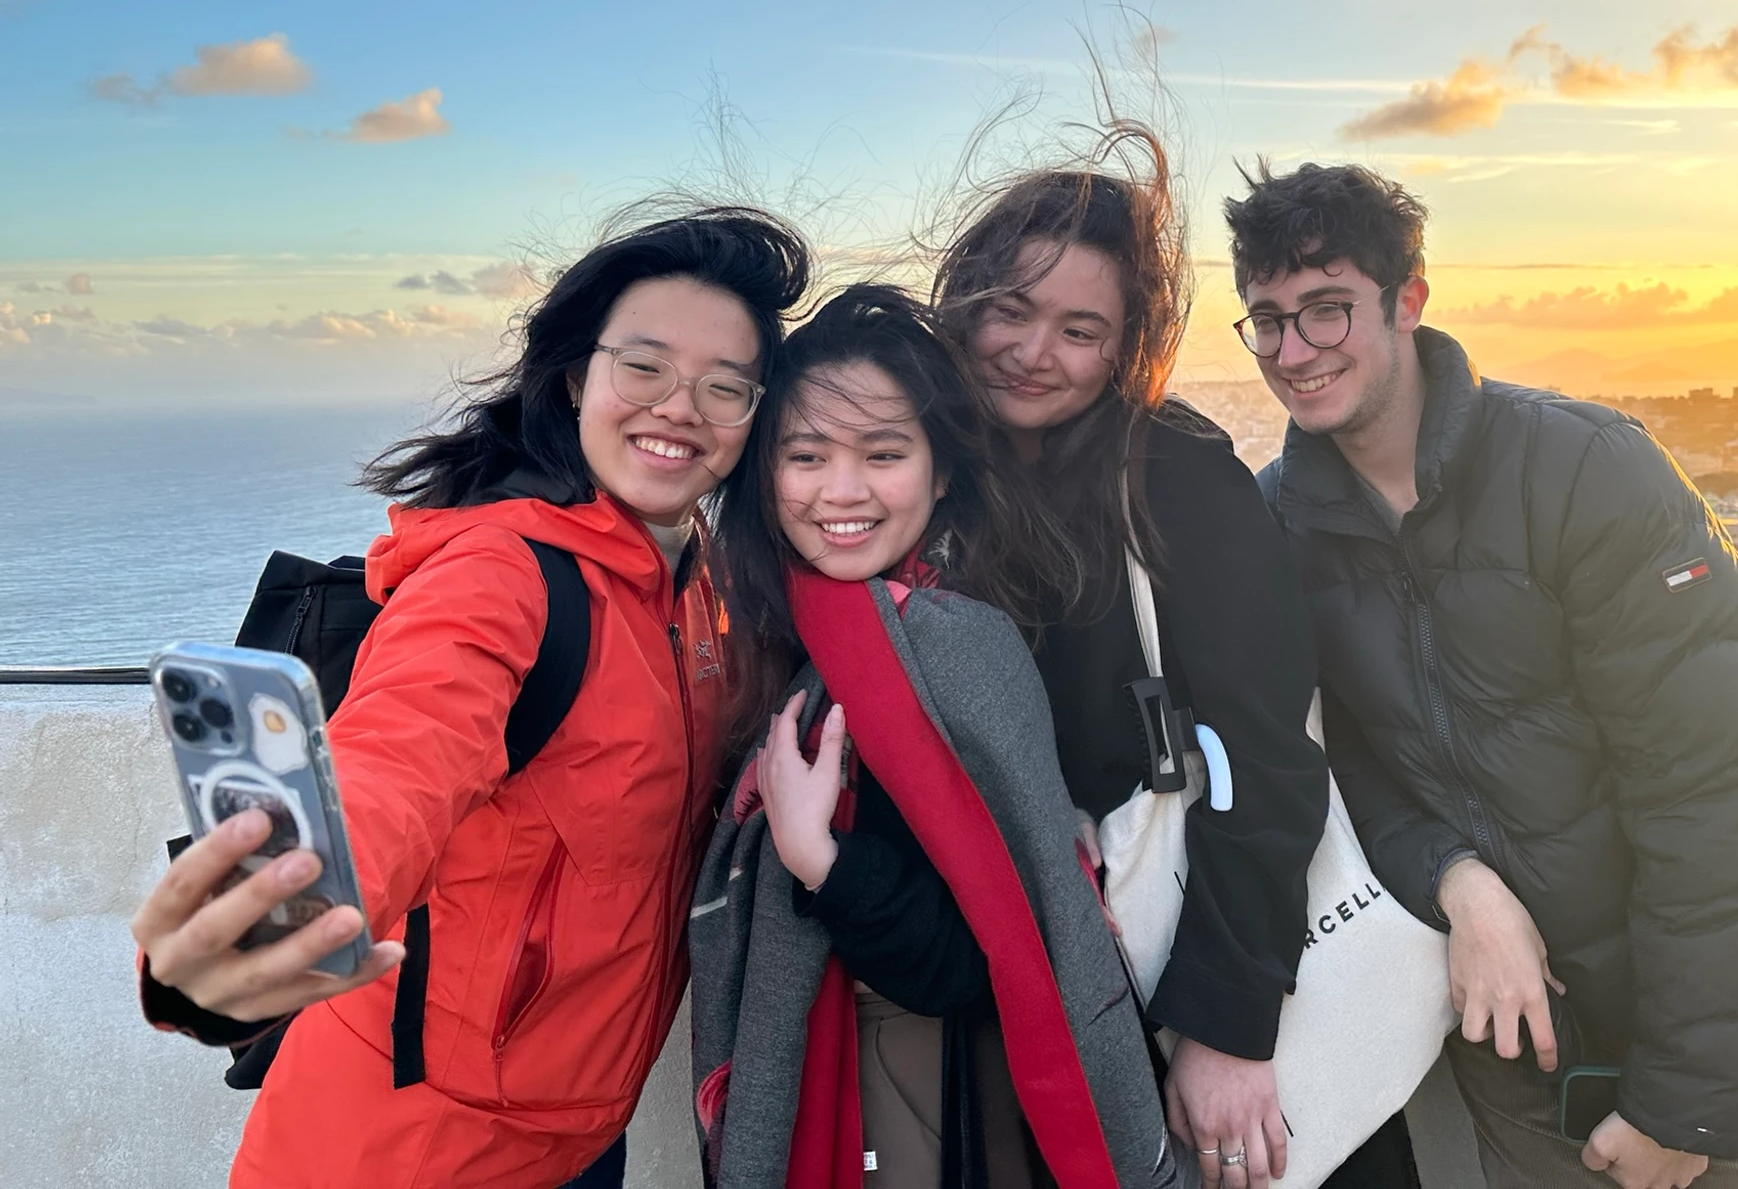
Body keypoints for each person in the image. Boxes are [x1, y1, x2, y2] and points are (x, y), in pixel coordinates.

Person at [130, 206, 811, 1188]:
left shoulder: (695, 586)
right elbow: (398, 758)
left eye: (724, 387)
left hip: (572, 1138)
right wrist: (257, 930)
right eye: (645, 368)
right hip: (399, 1151)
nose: (680, 408)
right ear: (577, 376)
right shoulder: (497, 577)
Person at [1225, 161, 1738, 1189]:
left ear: (1406, 299)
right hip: (1514, 1033)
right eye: (1266, 322)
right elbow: (1347, 766)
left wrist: (1685, 1098)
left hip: (1721, 1030)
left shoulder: (1585, 468)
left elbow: (1710, 786)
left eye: (1325, 312)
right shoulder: (1279, 524)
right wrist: (1457, 883)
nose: (1293, 352)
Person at [931, 129, 1417, 1189]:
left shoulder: (1173, 475)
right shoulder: (928, 481)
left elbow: (1267, 751)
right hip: (1039, 994)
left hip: (1200, 983)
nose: (1031, 350)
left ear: (1123, 350)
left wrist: (1228, 1031)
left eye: (1079, 330)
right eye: (1008, 311)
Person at [694, 285, 1183, 1189]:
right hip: (853, 1075)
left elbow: (980, 957)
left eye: (884, 454)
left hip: (929, 1100)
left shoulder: (956, 648)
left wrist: (821, 861)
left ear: (941, 470)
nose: (842, 492)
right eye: (806, 456)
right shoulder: (776, 635)